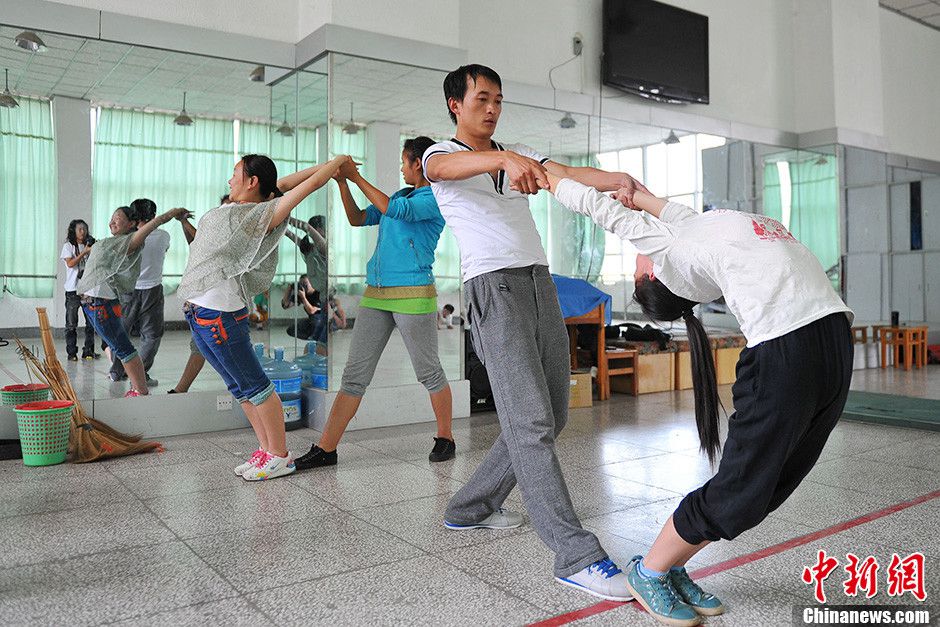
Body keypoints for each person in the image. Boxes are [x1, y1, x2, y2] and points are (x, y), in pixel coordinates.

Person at [548, 173, 853, 626]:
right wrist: (548, 177)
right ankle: (651, 570)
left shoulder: (690, 233)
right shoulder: (671, 256)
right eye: (637, 270)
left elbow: (667, 212)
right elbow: (602, 212)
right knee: (743, 491)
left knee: (772, 485)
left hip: (829, 334)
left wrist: (636, 195)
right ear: (655, 273)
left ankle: (671, 563)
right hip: (786, 349)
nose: (637, 262)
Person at [422, 64, 646, 601]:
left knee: (553, 412)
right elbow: (448, 171)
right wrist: (503, 158)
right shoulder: (439, 153)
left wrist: (612, 180)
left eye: (498, 98)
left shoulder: (514, 151)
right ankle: (575, 554)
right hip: (492, 287)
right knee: (529, 421)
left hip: (537, 282)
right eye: (481, 98)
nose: (492, 107)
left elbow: (562, 172)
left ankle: (469, 506)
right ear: (456, 103)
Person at [177, 154, 346, 481]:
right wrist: (327, 163)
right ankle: (266, 450)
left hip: (220, 316)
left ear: (252, 182)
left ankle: (280, 455)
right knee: (239, 387)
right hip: (201, 313)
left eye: (236, 173)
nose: (230, 180)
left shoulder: (259, 215)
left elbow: (306, 187)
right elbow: (283, 183)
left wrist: (336, 164)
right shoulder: (243, 207)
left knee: (256, 385)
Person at [295, 137, 455, 470]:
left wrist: (355, 176)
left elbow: (397, 211)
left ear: (418, 164)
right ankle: (327, 448)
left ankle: (445, 437)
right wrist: (343, 183)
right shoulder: (396, 195)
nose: (400, 167)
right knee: (354, 376)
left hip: (413, 294)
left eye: (403, 161)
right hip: (377, 294)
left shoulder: (435, 198)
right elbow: (356, 217)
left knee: (429, 372)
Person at [77, 205, 187, 397]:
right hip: (92, 304)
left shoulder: (129, 241)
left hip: (101, 304)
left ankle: (140, 390)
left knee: (124, 347)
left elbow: (152, 225)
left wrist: (171, 214)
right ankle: (136, 386)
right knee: (120, 345)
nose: (112, 221)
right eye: (111, 217)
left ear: (132, 224)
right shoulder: (113, 241)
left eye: (118, 218)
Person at [109, 198, 170, 386]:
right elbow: (164, 250)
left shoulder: (126, 238)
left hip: (128, 289)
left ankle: (117, 371)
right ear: (154, 215)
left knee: (121, 332)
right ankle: (140, 374)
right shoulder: (163, 236)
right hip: (152, 289)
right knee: (151, 335)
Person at [61, 219, 99, 361]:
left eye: (84, 229)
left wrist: (95, 249)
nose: (82, 232)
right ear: (73, 231)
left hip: (88, 290)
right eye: (79, 229)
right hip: (73, 290)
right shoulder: (68, 246)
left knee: (91, 322)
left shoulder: (90, 245)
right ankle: (72, 353)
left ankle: (88, 351)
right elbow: (70, 264)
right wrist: (84, 252)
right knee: (71, 324)